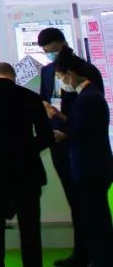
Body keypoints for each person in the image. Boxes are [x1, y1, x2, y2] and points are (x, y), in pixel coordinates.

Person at [0, 62, 53, 267]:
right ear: (13, 76)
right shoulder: (30, 97)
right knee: (30, 225)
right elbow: (46, 136)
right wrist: (27, 149)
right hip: (26, 169)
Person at [48, 53, 113, 267]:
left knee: (96, 217)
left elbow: (80, 131)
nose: (61, 82)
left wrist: (59, 125)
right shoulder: (88, 96)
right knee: (94, 214)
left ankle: (102, 259)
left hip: (90, 166)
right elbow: (81, 125)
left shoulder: (88, 99)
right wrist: (60, 116)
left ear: (70, 74)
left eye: (61, 77)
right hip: (93, 164)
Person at [36, 28, 83, 267]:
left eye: (53, 50)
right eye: (47, 51)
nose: (51, 55)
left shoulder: (81, 69)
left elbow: (87, 110)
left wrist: (67, 130)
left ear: (63, 44)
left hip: (78, 143)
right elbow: (44, 101)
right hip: (56, 142)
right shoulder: (46, 72)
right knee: (72, 199)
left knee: (86, 201)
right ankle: (81, 251)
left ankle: (92, 251)